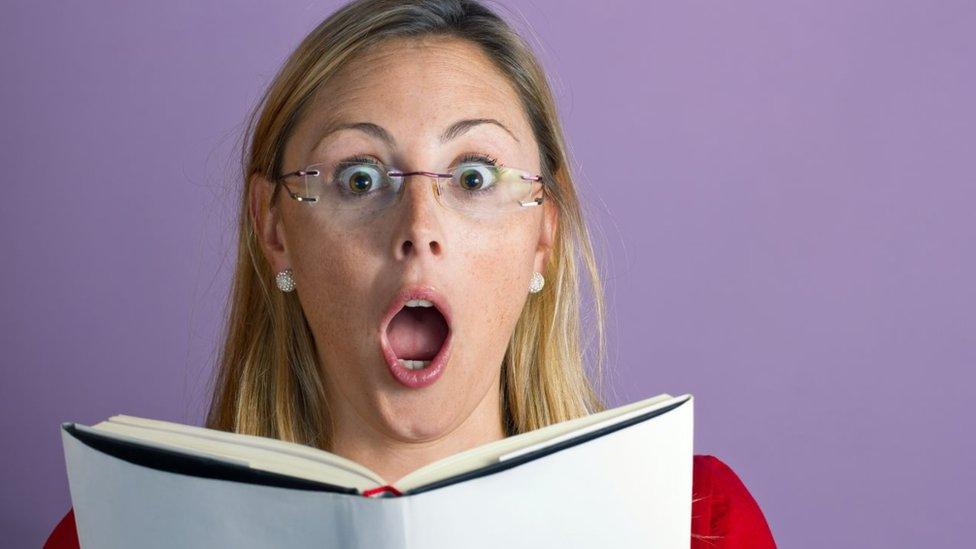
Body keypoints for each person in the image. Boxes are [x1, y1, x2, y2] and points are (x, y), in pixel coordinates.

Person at [45, 0, 776, 546]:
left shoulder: (696, 521)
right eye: (359, 179)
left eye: (474, 176)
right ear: (275, 229)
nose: (419, 228)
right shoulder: (116, 527)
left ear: (542, 235)